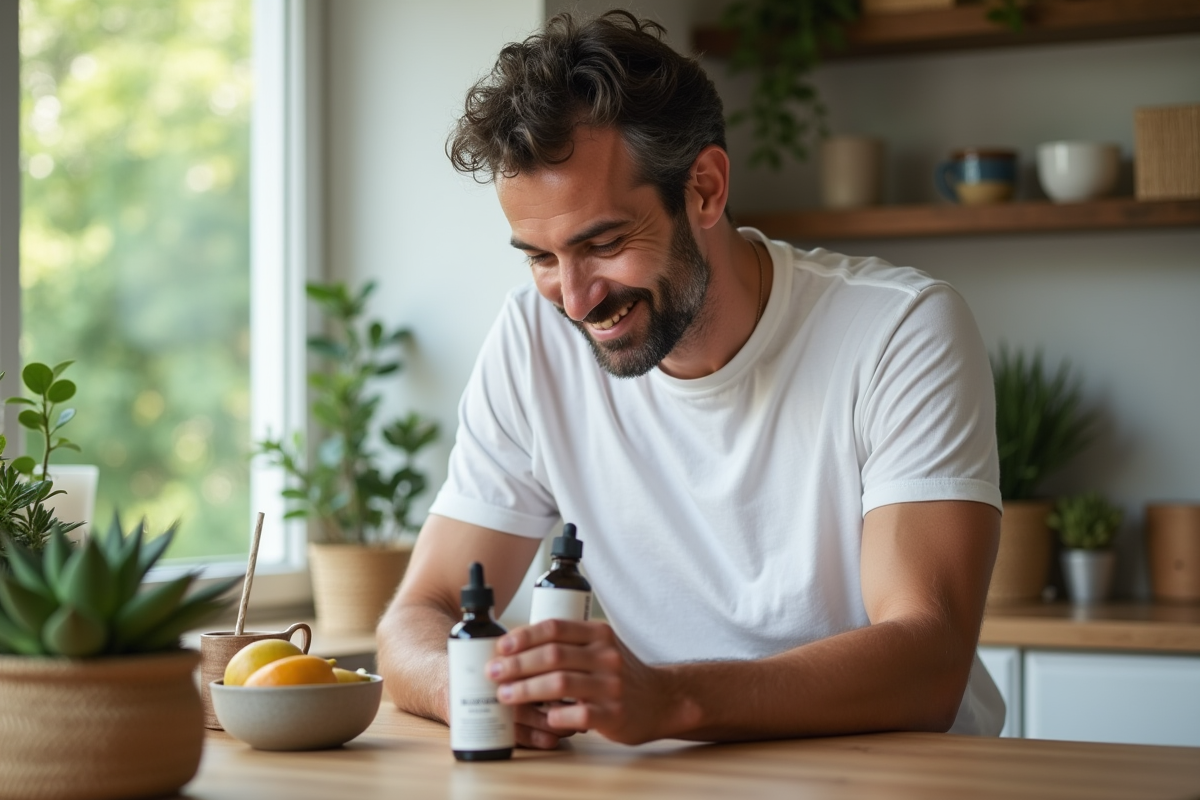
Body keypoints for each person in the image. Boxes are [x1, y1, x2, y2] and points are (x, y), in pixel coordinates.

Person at [376, 9, 1004, 748]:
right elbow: (420, 610)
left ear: (704, 189)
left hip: (893, 778)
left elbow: (928, 660)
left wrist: (672, 699)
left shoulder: (899, 330)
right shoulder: (532, 343)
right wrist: (472, 690)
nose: (573, 301)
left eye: (604, 242)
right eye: (541, 257)